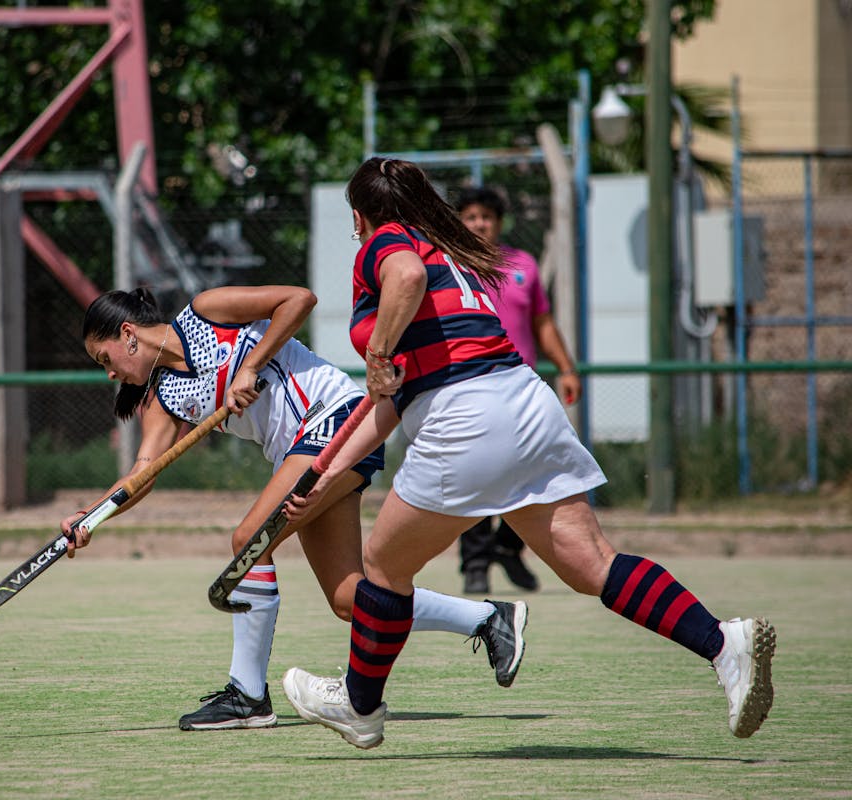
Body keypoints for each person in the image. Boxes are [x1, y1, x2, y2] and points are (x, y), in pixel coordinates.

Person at [280, 157, 776, 749]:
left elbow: (404, 280)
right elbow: (391, 406)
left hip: (466, 418)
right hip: (524, 403)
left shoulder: (389, 242)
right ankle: (723, 643)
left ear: (359, 214)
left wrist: (378, 352)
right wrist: (325, 473)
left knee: (384, 568)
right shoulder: (452, 252)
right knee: (592, 564)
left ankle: (359, 707)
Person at [64, 284, 529, 732]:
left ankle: (246, 696)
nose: (109, 373)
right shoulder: (163, 399)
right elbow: (141, 475)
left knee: (249, 540)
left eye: (105, 359)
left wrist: (250, 366)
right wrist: (90, 517)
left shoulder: (206, 311)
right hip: (296, 452)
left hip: (336, 420)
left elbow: (298, 299)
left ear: (128, 335)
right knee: (350, 600)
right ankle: (488, 619)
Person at [452, 186, 581, 595]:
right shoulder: (450, 265)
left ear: (500, 222)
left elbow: (543, 323)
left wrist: (566, 368)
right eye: (470, 217)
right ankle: (475, 564)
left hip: (522, 392)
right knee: (475, 477)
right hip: (468, 387)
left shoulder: (523, 264)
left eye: (486, 216)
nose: (479, 224)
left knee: (535, 472)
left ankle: (508, 547)